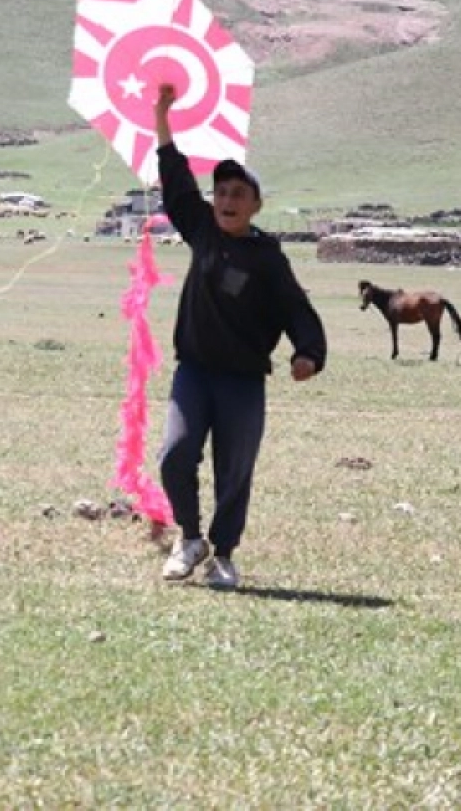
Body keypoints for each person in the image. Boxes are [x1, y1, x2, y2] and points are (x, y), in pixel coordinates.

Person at [151, 83, 327, 590]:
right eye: (222, 192)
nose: (227, 199)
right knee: (176, 454)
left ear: (255, 205)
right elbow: (175, 177)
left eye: (238, 194)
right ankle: (190, 539)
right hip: (195, 372)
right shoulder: (202, 230)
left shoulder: (267, 256)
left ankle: (223, 554)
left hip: (243, 380)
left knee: (236, 468)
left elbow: (296, 307)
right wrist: (163, 115)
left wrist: (308, 354)